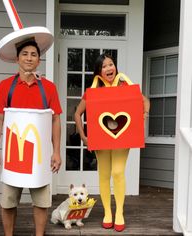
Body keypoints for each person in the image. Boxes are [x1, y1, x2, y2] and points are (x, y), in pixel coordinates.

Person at [0, 39, 62, 236]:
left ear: (39, 60)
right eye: (25, 54)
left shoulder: (48, 87)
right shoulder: (5, 86)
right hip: (14, 154)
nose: (29, 58)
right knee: (8, 201)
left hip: (39, 155)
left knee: (41, 201)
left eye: (33, 54)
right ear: (17, 58)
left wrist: (56, 151)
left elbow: (55, 120)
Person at [74, 53, 150, 232]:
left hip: (122, 136)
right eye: (105, 66)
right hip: (101, 139)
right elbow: (77, 113)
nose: (109, 68)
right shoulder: (93, 91)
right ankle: (108, 212)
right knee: (104, 174)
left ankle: (120, 213)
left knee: (117, 172)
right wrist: (84, 136)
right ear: (99, 71)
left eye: (111, 64)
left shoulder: (125, 86)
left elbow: (145, 101)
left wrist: (144, 115)